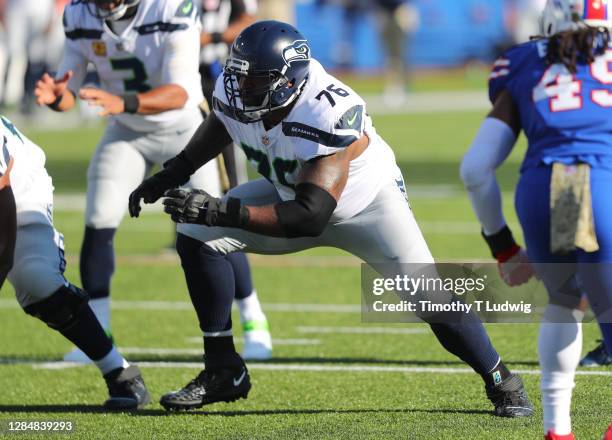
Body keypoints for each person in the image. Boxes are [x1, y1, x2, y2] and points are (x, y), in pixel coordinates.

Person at [129, 20, 534, 416]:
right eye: (240, 77)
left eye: (255, 79)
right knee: (195, 232)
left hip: (365, 206)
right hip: (289, 192)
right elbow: (223, 121)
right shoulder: (239, 91)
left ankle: (502, 380)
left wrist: (223, 209)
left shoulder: (327, 111)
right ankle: (223, 370)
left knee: (430, 297)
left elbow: (310, 216)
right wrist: (172, 172)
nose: (242, 87)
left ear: (290, 80)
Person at [34, 0, 270, 362]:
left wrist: (122, 101)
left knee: (215, 223)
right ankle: (100, 332)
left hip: (185, 128)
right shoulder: (79, 14)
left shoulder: (171, 8)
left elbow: (178, 91)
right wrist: (57, 98)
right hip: (126, 130)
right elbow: (70, 86)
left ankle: (254, 319)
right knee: (98, 220)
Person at [460, 1, 612, 437]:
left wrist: (504, 247)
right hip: (601, 183)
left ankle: (557, 427)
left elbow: (474, 169)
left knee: (566, 304)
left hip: (552, 186)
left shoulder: (524, 62)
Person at [0, 115, 150, 409]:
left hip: (20, 194)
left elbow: (3, 206)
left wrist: (4, 261)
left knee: (36, 277)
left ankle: (118, 372)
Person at [197, 0, 272, 360]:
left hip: (221, 81)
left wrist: (205, 36)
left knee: (226, 203)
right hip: (169, 96)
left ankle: (254, 319)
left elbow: (247, 20)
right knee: (193, 218)